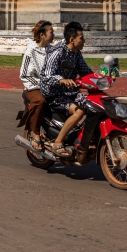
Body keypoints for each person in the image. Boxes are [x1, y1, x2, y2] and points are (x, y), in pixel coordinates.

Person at [40, 21, 92, 158]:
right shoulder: (57, 52)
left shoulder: (76, 53)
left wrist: (103, 78)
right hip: (54, 92)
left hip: (70, 91)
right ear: (72, 39)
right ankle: (58, 142)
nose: (84, 41)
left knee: (93, 105)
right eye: (81, 38)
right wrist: (61, 80)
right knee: (79, 111)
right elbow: (47, 75)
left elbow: (87, 72)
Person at [19, 20, 54, 151]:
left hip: (50, 86)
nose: (53, 34)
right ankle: (35, 133)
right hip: (33, 87)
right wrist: (41, 86)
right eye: (51, 32)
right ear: (42, 35)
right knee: (40, 100)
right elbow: (24, 74)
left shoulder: (51, 50)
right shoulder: (31, 51)